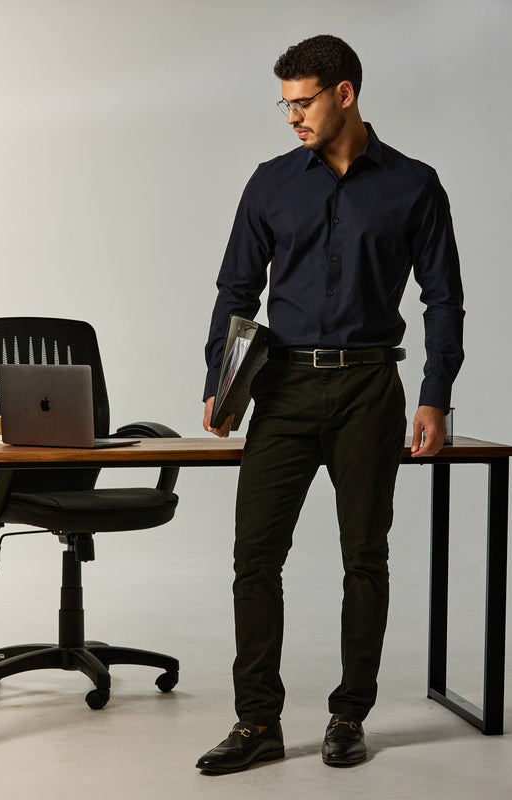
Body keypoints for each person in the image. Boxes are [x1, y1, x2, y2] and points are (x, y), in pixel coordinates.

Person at [197, 34, 464, 773]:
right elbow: (236, 290)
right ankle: (257, 722)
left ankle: (349, 715)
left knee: (364, 558)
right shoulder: (270, 183)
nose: (292, 117)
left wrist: (435, 395)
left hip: (369, 389)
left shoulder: (414, 185)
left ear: (344, 94)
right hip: (281, 388)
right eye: (284, 105)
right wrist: (220, 382)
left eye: (303, 102)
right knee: (255, 556)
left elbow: (443, 298)